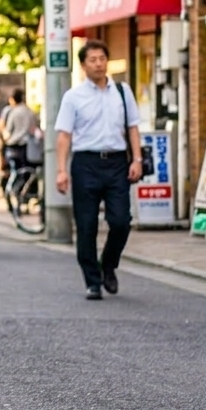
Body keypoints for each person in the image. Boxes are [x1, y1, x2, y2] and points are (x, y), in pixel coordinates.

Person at [54, 39, 143, 300]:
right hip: (86, 164)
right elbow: (64, 136)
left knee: (120, 222)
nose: (98, 64)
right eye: (92, 60)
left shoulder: (123, 91)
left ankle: (109, 264)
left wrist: (136, 159)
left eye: (102, 58)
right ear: (83, 66)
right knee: (86, 224)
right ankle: (92, 281)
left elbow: (133, 128)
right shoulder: (73, 97)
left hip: (117, 163)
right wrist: (61, 170)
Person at [1, 88, 38, 176]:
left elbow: (8, 133)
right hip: (29, 147)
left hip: (15, 146)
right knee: (29, 173)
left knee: (15, 173)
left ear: (12, 99)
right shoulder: (30, 112)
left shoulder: (14, 112)